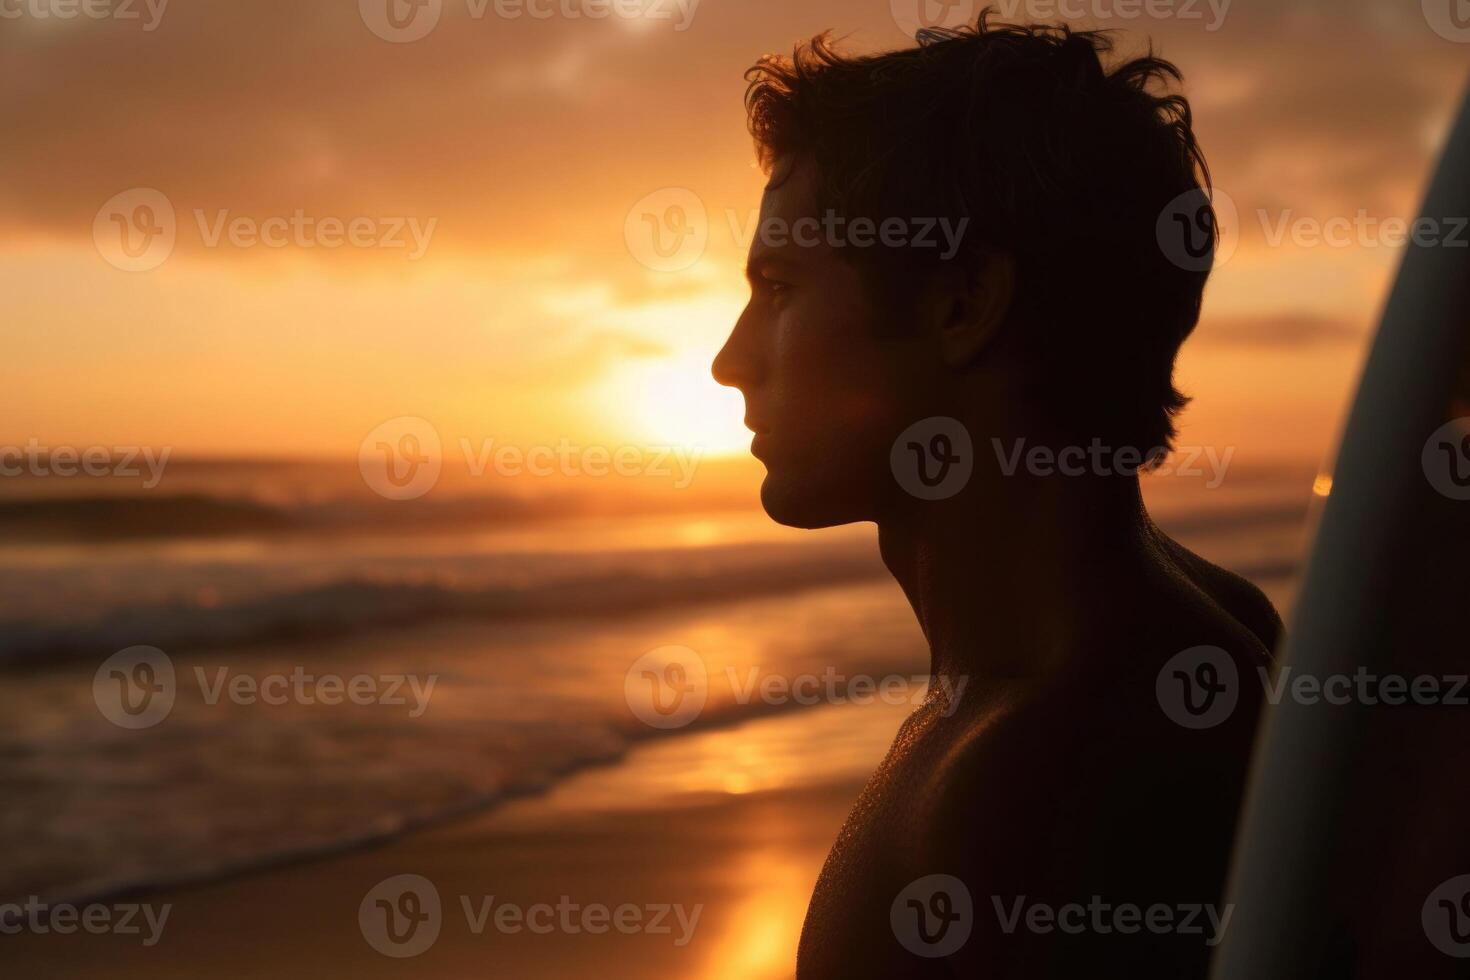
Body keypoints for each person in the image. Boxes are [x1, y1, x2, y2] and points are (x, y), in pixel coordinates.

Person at [711, 12, 1281, 978]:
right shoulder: (1196, 637)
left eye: (779, 286)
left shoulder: (1037, 788)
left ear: (962, 303)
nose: (730, 361)